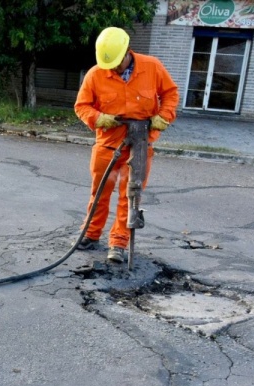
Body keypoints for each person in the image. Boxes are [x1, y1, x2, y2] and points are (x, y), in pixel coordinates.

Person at [74, 27, 179, 263]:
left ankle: (118, 243)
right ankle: (90, 234)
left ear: (126, 52)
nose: (112, 69)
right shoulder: (95, 74)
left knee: (129, 196)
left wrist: (164, 115)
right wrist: (97, 118)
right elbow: (82, 105)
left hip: (141, 142)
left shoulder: (152, 67)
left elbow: (171, 93)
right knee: (99, 192)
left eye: (117, 63)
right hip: (108, 143)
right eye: (108, 65)